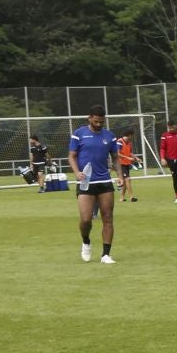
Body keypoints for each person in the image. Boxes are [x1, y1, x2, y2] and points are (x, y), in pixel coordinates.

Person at [67, 105, 120, 264]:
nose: (98, 124)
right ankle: (86, 241)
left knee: (108, 217)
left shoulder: (109, 136)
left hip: (104, 181)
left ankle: (105, 255)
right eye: (96, 121)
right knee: (85, 219)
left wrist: (120, 175)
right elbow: (71, 156)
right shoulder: (79, 134)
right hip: (86, 182)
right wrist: (77, 172)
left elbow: (116, 157)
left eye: (101, 122)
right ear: (89, 118)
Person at [116, 129, 138, 202]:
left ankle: (121, 198)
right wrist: (128, 157)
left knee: (125, 181)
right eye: (132, 135)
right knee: (128, 179)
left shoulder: (129, 143)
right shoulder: (119, 142)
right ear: (129, 135)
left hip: (126, 164)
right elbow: (117, 153)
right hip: (120, 164)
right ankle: (131, 197)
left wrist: (136, 157)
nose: (132, 137)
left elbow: (130, 152)